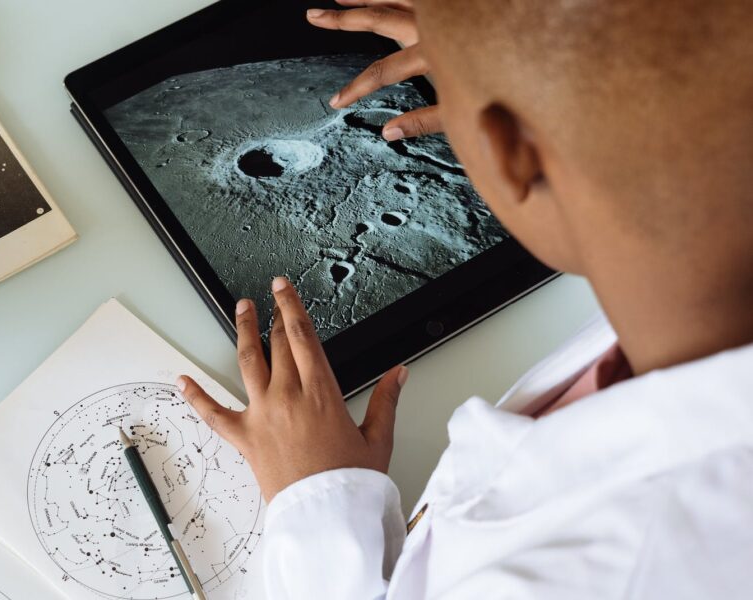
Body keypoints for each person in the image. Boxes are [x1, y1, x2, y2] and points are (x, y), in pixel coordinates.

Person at [177, 0, 753, 598]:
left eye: (443, 85)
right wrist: (518, 71)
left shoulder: (583, 572)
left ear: (511, 154)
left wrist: (316, 500)